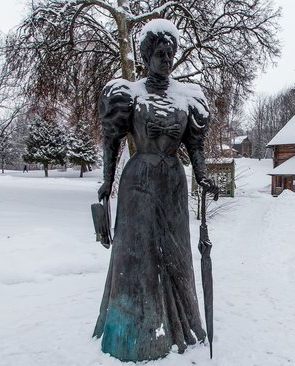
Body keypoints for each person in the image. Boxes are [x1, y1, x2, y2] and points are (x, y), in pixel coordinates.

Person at [93, 19, 218, 362]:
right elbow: (112, 141)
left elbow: (195, 148)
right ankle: (135, 327)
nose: (165, 58)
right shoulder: (129, 94)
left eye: (170, 53)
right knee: (138, 253)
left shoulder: (188, 98)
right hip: (138, 182)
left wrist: (203, 176)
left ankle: (181, 325)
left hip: (173, 183)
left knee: (175, 252)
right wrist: (107, 181)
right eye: (159, 53)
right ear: (147, 56)